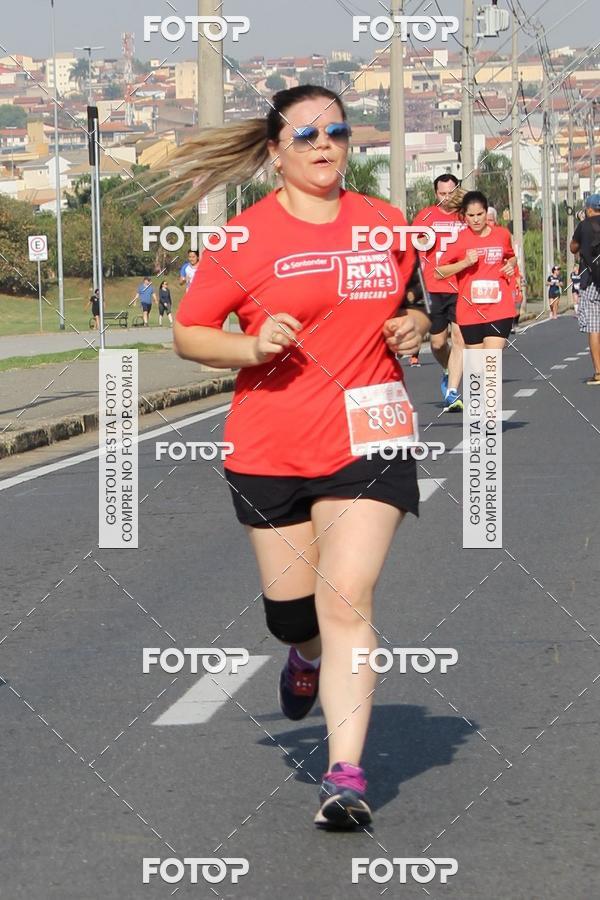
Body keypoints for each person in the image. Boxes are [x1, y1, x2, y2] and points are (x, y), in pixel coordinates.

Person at [170, 85, 430, 828]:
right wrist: (250, 346)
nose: (324, 145)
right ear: (275, 151)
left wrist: (414, 327)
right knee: (293, 614)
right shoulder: (243, 239)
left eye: (337, 132)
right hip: (272, 443)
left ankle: (345, 776)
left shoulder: (386, 225)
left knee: (347, 595)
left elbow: (417, 312)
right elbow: (190, 332)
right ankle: (302, 656)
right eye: (307, 135)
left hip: (368, 435)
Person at [436, 190, 517, 350]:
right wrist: (464, 263)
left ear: (486, 212)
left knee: (491, 362)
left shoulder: (502, 234)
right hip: (470, 311)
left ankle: (491, 375)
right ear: (464, 216)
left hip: (499, 308)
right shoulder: (459, 240)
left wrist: (511, 264)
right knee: (476, 369)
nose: (476, 219)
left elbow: (510, 256)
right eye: (471, 216)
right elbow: (438, 273)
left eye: (480, 214)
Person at [412, 173, 465, 411]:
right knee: (436, 343)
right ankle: (447, 369)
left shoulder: (466, 216)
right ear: (436, 194)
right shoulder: (425, 216)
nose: (446, 198)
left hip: (461, 286)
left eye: (450, 192)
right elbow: (412, 246)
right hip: (434, 286)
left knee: (459, 338)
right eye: (442, 194)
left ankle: (452, 392)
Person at [570, 193, 600, 384]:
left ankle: (598, 372)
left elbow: (573, 248)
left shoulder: (584, 225)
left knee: (594, 328)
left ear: (589, 209)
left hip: (590, 281)